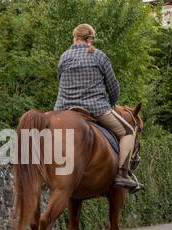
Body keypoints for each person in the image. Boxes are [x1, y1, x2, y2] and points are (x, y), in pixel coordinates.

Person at [54, 23, 138, 189]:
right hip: (95, 108)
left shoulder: (64, 56)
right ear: (91, 38)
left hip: (62, 109)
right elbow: (113, 86)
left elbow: (59, 80)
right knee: (129, 132)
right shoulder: (99, 56)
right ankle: (122, 173)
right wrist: (112, 103)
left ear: (75, 38)